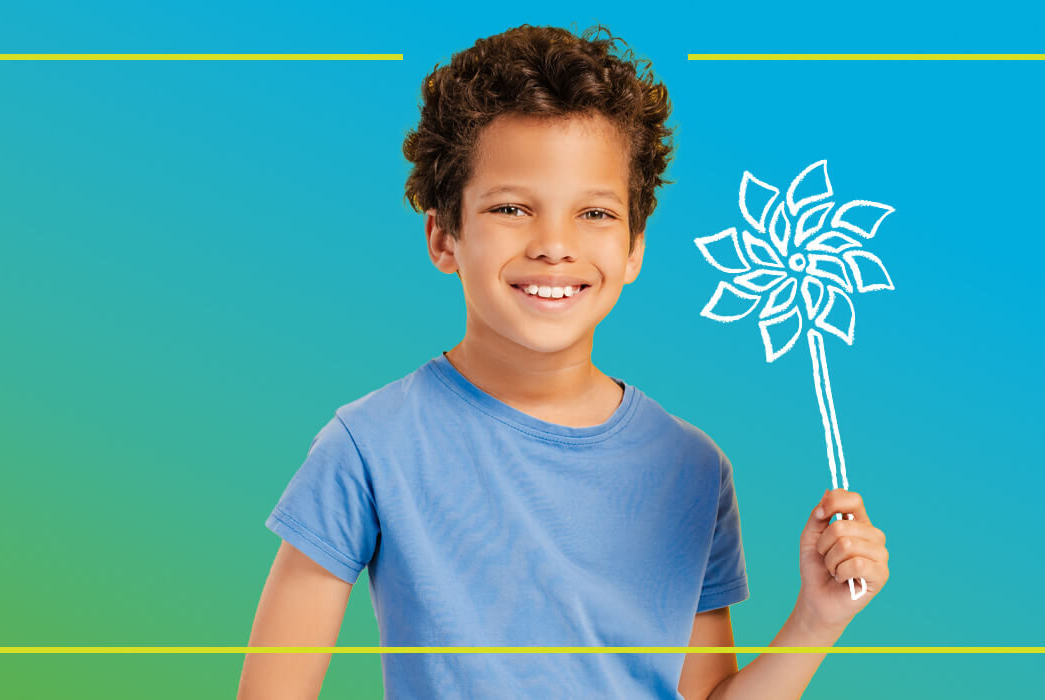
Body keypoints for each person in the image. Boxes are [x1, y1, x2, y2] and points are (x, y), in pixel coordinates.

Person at [237, 23, 890, 699]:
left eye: (595, 214)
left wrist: (816, 620)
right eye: (512, 207)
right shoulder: (367, 447)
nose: (555, 245)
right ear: (444, 236)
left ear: (635, 247)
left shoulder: (694, 470)